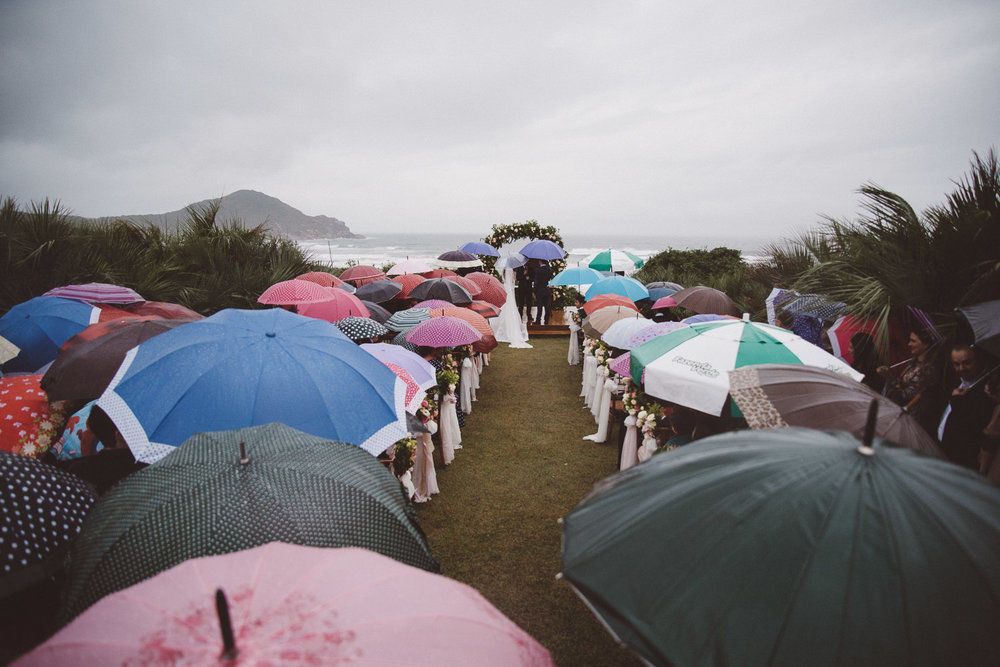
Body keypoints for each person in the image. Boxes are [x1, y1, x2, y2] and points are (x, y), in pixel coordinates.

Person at [937, 345, 994, 470]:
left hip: (965, 462)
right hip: (945, 455)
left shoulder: (987, 390)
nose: (961, 368)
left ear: (977, 360)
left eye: (967, 363)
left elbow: (972, 428)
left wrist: (957, 402)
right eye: (956, 364)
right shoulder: (953, 383)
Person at [879, 327, 942, 435]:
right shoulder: (913, 363)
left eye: (913, 341)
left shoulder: (927, 370)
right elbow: (901, 384)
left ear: (925, 344)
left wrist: (889, 377)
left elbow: (906, 395)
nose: (909, 344)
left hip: (910, 419)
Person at [532, 260, 554, 325]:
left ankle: (538, 321)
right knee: (547, 307)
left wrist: (534, 291)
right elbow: (552, 279)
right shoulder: (550, 270)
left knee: (540, 307)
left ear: (540, 262)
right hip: (547, 290)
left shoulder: (537, 270)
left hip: (539, 290)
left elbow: (536, 282)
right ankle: (546, 321)